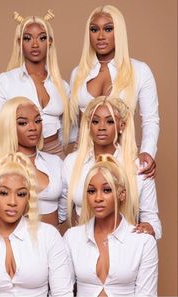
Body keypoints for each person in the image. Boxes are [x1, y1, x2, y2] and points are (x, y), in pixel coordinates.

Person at [0, 97, 67, 255]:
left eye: (37, 121)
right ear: (8, 126)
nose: (33, 127)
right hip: (13, 247)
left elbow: (63, 209)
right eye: (23, 123)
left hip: (51, 247)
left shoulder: (55, 163)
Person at [0, 152, 73, 296]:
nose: (12, 202)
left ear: (28, 198)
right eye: (3, 193)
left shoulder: (48, 236)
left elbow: (63, 293)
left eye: (21, 194)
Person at [69, 4, 159, 178]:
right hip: (84, 158)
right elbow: (75, 126)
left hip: (124, 157)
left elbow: (150, 119)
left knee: (124, 203)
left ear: (119, 32)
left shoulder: (139, 70)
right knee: (81, 205)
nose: (101, 36)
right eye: (94, 30)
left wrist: (148, 152)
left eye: (108, 29)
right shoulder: (78, 73)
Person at [0, 9, 71, 180]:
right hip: (17, 153)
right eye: (28, 38)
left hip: (55, 155)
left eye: (42, 38)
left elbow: (72, 132)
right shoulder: (5, 81)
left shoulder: (62, 86)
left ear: (50, 42)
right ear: (19, 42)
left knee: (59, 205)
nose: (35, 44)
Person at [63, 96, 161, 239]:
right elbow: (61, 213)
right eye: (95, 121)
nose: (101, 127)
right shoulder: (71, 163)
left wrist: (148, 229)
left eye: (109, 121)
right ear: (89, 125)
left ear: (121, 125)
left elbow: (152, 221)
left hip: (126, 245)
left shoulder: (138, 166)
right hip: (83, 245)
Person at [64, 154, 158, 296]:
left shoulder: (143, 242)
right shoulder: (72, 238)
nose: (98, 198)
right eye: (91, 191)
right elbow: (62, 291)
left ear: (122, 194)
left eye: (107, 190)